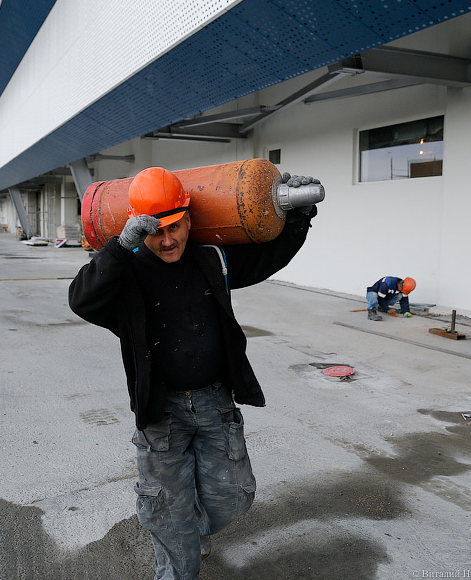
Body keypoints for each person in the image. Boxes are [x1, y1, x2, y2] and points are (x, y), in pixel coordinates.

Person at [68, 167, 319, 579]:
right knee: (168, 510)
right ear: (137, 227)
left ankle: (190, 534)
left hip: (214, 403)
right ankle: (176, 558)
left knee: (234, 497)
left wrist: (299, 214)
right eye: (155, 232)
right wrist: (118, 249)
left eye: (175, 228)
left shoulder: (211, 258)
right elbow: (81, 300)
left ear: (188, 219)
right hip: (161, 412)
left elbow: (268, 259)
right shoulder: (125, 273)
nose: (168, 241)